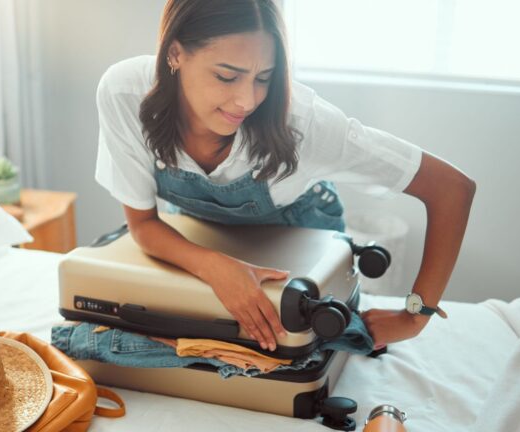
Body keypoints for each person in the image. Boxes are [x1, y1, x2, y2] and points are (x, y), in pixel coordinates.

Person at [95, 0, 476, 353]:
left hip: (300, 242)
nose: (247, 100)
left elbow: (452, 189)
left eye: (264, 78)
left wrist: (414, 316)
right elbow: (143, 224)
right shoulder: (125, 93)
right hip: (203, 242)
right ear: (175, 53)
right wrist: (216, 267)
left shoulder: (306, 124)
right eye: (228, 76)